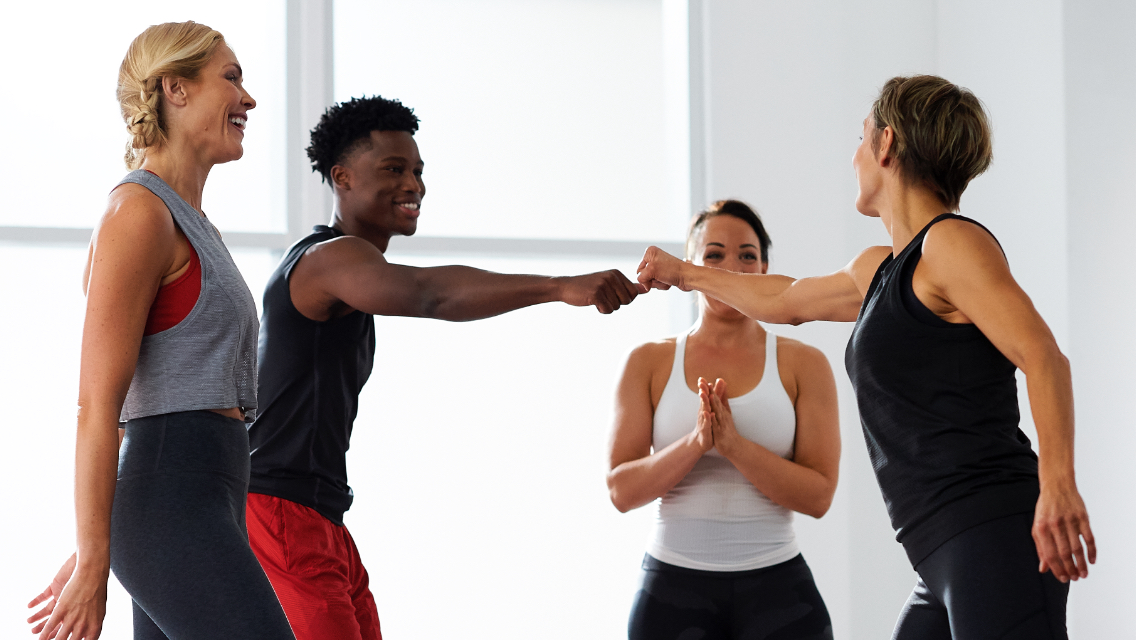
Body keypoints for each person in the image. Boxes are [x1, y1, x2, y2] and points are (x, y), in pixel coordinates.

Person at [636, 75, 1094, 639]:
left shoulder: (951, 244)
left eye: (861, 138)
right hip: (941, 548)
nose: (854, 156)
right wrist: (683, 273)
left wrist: (1059, 485)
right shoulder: (883, 269)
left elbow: (1044, 357)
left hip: (992, 528)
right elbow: (784, 300)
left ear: (887, 143)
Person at [243, 95, 644, 640]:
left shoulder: (348, 268)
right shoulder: (326, 260)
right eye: (394, 169)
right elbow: (428, 293)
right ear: (342, 177)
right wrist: (557, 286)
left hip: (318, 512)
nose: (413, 185)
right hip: (280, 511)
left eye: (417, 171)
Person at [26, 22, 295, 640]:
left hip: (198, 499)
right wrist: (95, 555)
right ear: (176, 88)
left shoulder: (190, 222)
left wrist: (110, 537)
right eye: (231, 77)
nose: (249, 99)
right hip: (171, 498)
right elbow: (99, 404)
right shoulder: (138, 213)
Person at [608, 200, 838, 640]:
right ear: (689, 267)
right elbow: (621, 490)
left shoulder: (804, 364)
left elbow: (819, 496)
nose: (732, 268)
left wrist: (735, 447)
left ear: (765, 268)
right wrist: (696, 443)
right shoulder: (648, 361)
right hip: (671, 590)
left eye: (747, 256)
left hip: (779, 592)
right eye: (714, 255)